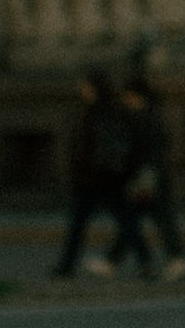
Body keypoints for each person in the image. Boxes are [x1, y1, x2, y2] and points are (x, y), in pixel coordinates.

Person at [49, 71, 135, 281]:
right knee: (120, 220)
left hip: (95, 178)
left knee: (114, 220)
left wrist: (80, 169)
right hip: (99, 177)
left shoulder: (97, 113)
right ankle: (66, 265)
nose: (82, 89)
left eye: (85, 85)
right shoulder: (104, 111)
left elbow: (89, 147)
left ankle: (66, 266)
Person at [120, 61, 185, 281]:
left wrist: (144, 174)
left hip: (149, 177)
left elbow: (150, 149)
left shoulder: (145, 117)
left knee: (156, 219)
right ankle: (133, 260)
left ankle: (172, 260)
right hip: (149, 176)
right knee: (136, 218)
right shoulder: (148, 115)